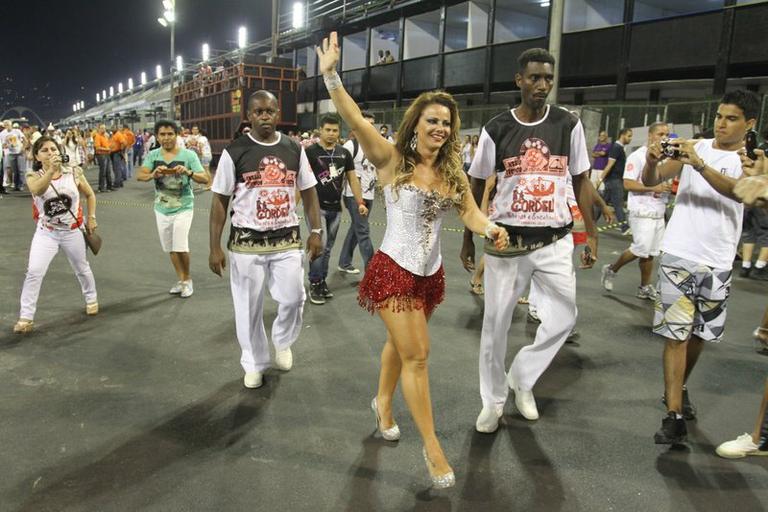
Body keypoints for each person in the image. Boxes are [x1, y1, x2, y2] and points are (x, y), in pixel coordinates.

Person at [317, 32, 509, 488]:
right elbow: (356, 121)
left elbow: (469, 212)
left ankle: (382, 403)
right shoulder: (391, 159)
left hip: (430, 276)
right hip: (393, 269)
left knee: (398, 347)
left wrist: (490, 228)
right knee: (418, 355)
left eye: (446, 121)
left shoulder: (450, 170)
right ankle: (433, 446)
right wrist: (331, 77)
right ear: (416, 124)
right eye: (432, 121)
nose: (440, 128)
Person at [460, 47, 598, 432]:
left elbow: (581, 179)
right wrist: (470, 237)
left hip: (555, 240)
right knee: (496, 324)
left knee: (564, 316)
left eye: (548, 79)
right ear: (519, 80)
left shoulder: (568, 124)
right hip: (508, 242)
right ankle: (492, 401)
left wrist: (592, 232)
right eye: (535, 78)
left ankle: (521, 377)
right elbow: (476, 180)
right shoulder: (497, 127)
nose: (542, 85)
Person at [642, 90, 760, 445]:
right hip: (679, 253)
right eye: (719, 116)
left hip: (720, 260)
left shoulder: (753, 160)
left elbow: (741, 192)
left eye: (731, 118)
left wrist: (700, 165)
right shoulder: (696, 147)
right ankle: (673, 414)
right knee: (675, 335)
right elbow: (652, 180)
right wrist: (650, 161)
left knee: (698, 335)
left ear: (749, 123)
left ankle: (679, 389)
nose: (721, 124)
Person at [209, 90, 323, 389]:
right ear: (249, 116)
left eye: (269, 111)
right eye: (258, 112)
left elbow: (309, 191)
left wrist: (316, 230)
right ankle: (254, 362)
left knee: (294, 297)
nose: (264, 117)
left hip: (287, 239)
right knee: (248, 307)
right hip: (246, 243)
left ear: (277, 114)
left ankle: (283, 342)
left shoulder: (293, 149)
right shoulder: (235, 152)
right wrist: (214, 247)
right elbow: (220, 201)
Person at [14, 136, 98, 333]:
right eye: (44, 150)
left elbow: (90, 194)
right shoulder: (33, 175)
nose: (50, 153)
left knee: (82, 267)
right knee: (34, 271)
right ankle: (26, 316)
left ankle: (91, 297)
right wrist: (51, 170)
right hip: (47, 233)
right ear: (36, 155)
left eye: (53, 149)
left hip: (72, 231)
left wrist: (91, 217)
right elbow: (37, 190)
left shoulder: (74, 172)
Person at [136, 120, 208, 298]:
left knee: (180, 245)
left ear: (176, 135)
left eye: (170, 134)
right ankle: (181, 279)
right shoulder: (153, 155)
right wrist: (153, 174)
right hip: (161, 208)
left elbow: (205, 178)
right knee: (170, 247)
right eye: (162, 134)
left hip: (183, 206)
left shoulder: (189, 155)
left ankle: (188, 279)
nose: (166, 138)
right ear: (157, 136)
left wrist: (188, 172)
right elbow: (140, 175)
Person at [601, 122, 672, 299]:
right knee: (641, 248)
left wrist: (665, 189)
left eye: (666, 134)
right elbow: (628, 183)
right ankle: (611, 269)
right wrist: (653, 188)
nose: (664, 138)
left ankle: (644, 287)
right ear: (650, 136)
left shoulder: (666, 159)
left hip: (658, 211)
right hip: (641, 211)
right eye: (660, 134)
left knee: (650, 253)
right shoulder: (637, 156)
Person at [304, 114, 366, 304]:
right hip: (315, 209)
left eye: (335, 130)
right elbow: (302, 180)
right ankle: (314, 282)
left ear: (339, 132)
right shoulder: (310, 152)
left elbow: (352, 178)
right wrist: (292, 205)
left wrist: (360, 201)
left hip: (336, 209)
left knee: (328, 248)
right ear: (320, 131)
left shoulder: (343, 154)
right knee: (319, 246)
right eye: (328, 130)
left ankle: (321, 280)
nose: (331, 134)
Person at [338, 111, 377, 275]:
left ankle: (344, 262)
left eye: (372, 124)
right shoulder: (350, 146)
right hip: (354, 196)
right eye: (366, 124)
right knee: (363, 231)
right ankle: (373, 272)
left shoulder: (375, 145)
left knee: (356, 229)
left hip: (370, 194)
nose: (370, 128)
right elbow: (339, 170)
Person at [597, 128, 632, 233]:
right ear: (622, 135)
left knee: (601, 203)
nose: (630, 138)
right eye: (629, 136)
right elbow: (609, 164)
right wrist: (600, 178)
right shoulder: (616, 148)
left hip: (613, 180)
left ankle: (590, 220)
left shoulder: (619, 148)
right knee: (618, 204)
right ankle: (625, 228)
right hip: (614, 181)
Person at [92, 124, 113, 192]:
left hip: (107, 155)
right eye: (102, 128)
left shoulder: (105, 136)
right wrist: (107, 149)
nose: (103, 129)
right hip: (101, 155)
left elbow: (108, 144)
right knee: (103, 172)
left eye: (104, 128)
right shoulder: (97, 136)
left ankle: (109, 186)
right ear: (99, 129)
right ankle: (101, 187)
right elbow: (97, 147)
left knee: (108, 171)